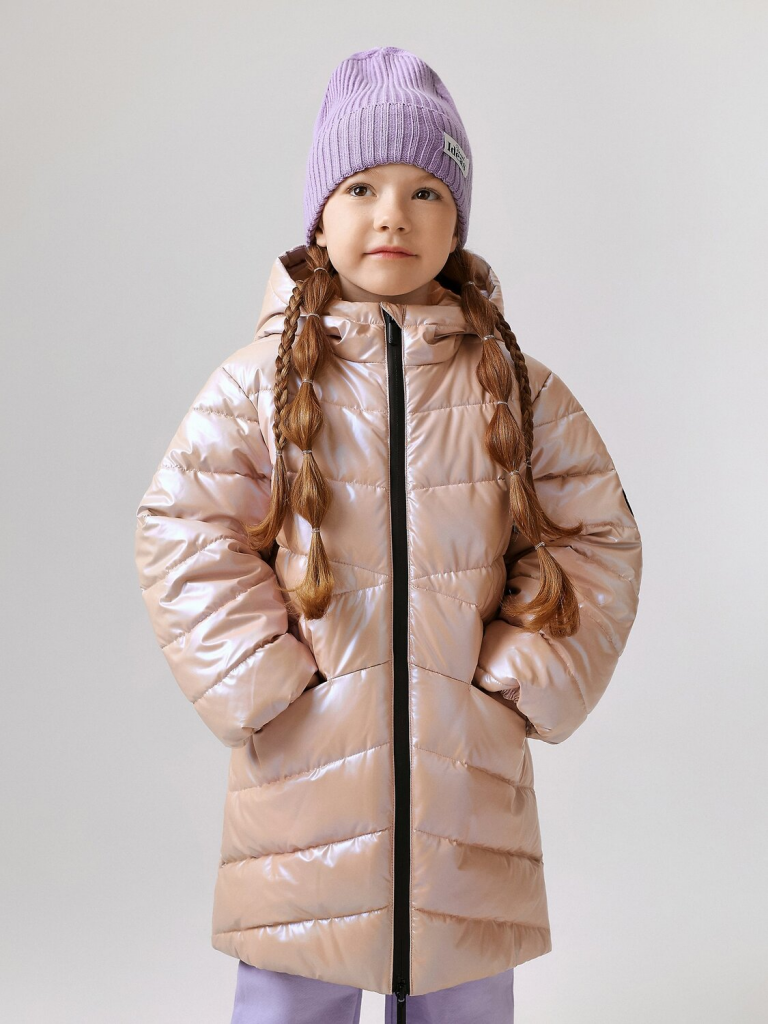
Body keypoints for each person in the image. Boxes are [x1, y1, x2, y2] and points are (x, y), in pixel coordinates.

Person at [134, 46, 643, 1024]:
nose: (393, 215)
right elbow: (184, 529)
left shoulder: (516, 388)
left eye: (425, 191)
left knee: (464, 992)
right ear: (320, 216)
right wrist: (268, 685)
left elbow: (598, 540)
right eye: (361, 186)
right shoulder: (257, 385)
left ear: (457, 222)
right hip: (304, 786)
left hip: (465, 785)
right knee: (291, 993)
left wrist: (516, 681)